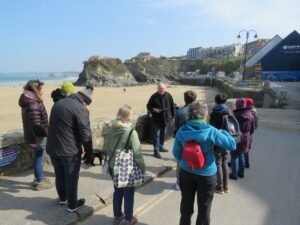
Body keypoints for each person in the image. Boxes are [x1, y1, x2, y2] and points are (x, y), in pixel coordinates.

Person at [173, 102, 236, 225]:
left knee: (186, 205)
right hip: (207, 174)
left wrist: (187, 161)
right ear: (204, 115)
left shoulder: (182, 131)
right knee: (204, 207)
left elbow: (176, 153)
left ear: (190, 115)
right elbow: (232, 145)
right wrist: (223, 132)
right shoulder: (212, 131)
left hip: (186, 172)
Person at [46, 86, 94, 212]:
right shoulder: (80, 108)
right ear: (83, 100)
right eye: (86, 104)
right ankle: (72, 205)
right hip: (69, 151)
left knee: (59, 175)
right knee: (71, 178)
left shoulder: (58, 103)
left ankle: (63, 199)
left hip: (52, 148)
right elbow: (86, 135)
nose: (86, 106)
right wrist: (89, 154)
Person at [105, 105, 145, 225]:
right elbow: (137, 153)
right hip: (126, 167)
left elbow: (107, 147)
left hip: (113, 165)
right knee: (128, 194)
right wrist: (142, 167)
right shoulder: (131, 132)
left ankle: (117, 216)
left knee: (117, 192)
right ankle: (128, 219)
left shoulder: (111, 129)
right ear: (129, 117)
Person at [19, 80, 54, 191]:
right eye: (41, 88)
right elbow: (36, 124)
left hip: (32, 136)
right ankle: (39, 181)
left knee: (36, 157)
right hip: (37, 137)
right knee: (39, 158)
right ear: (36, 89)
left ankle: (38, 178)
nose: (43, 90)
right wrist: (47, 132)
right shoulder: (33, 103)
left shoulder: (29, 100)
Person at [173, 90, 197, 190]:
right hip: (195, 140)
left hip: (182, 140)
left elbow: (175, 127)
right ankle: (192, 182)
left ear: (184, 99)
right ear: (194, 99)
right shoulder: (198, 111)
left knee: (180, 161)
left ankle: (179, 183)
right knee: (194, 161)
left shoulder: (179, 111)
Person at [209, 93, 231, 194]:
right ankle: (226, 187)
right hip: (226, 139)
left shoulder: (214, 113)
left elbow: (211, 128)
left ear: (216, 101)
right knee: (225, 163)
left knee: (218, 163)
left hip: (217, 140)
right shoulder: (229, 111)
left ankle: (219, 186)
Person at [147, 82, 175, 159]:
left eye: (163, 89)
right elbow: (149, 106)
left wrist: (173, 116)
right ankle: (156, 151)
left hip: (166, 119)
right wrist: (154, 109)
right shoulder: (153, 96)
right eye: (160, 89)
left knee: (163, 134)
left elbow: (172, 106)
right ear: (157, 89)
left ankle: (161, 147)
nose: (162, 90)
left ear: (165, 88)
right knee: (156, 135)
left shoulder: (169, 95)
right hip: (156, 119)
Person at [229, 98, 255, 180]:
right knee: (241, 154)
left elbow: (230, 127)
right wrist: (248, 135)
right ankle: (241, 173)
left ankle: (234, 174)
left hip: (236, 136)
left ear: (236, 105)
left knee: (234, 155)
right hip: (246, 136)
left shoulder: (234, 115)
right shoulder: (250, 115)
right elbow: (252, 128)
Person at [244, 98, 258, 168]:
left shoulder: (249, 112)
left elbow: (253, 127)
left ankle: (246, 163)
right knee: (245, 149)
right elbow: (255, 126)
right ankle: (245, 163)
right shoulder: (254, 112)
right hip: (249, 134)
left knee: (241, 150)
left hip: (246, 133)